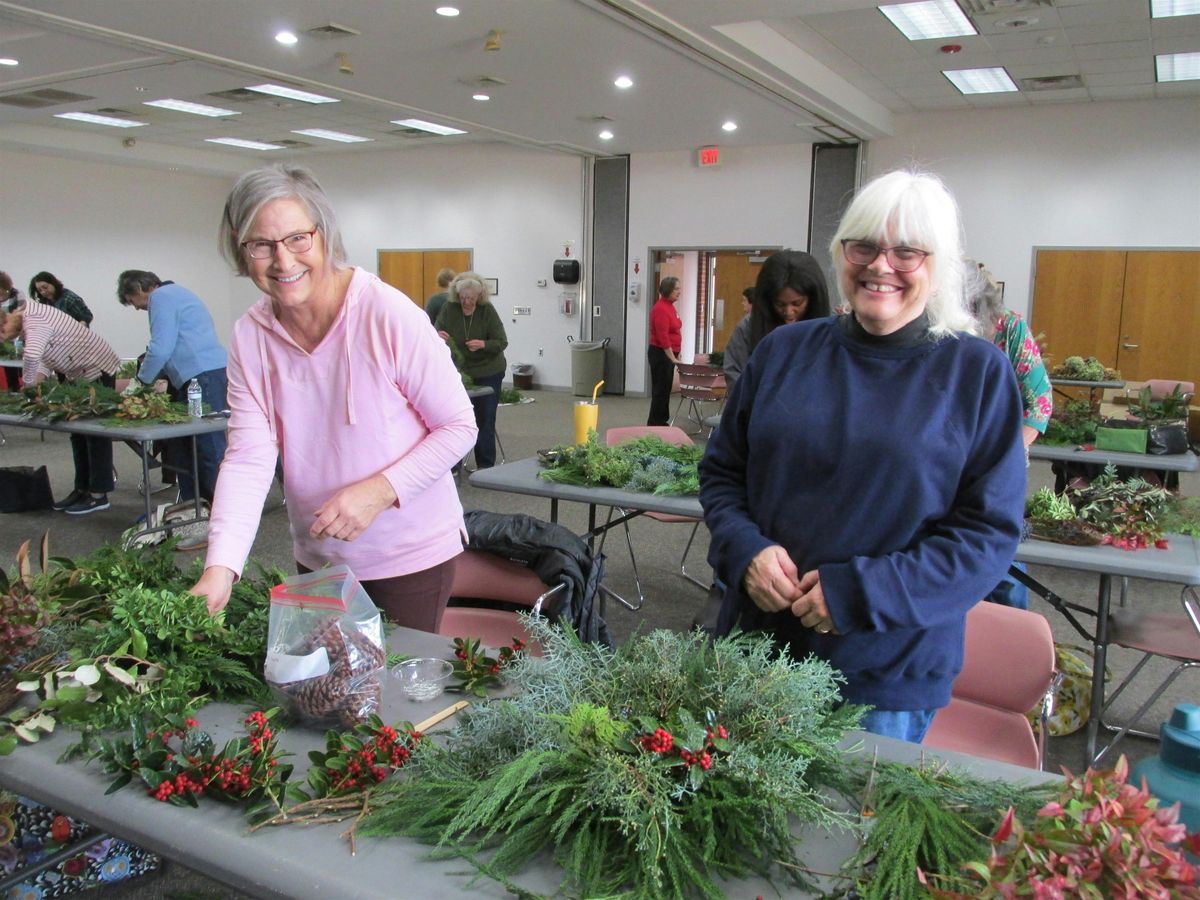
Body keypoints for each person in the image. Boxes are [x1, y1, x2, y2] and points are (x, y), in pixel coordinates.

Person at [699, 169, 1027, 745]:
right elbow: (724, 473)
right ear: (841, 254)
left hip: (882, 672)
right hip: (756, 646)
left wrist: (860, 593)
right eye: (865, 246)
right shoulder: (783, 351)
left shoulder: (975, 372)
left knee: (849, 832)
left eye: (907, 252)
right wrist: (744, 551)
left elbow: (987, 536)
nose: (881, 265)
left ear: (939, 264)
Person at [190, 163, 477, 631]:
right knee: (330, 691)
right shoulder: (251, 336)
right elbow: (248, 458)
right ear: (241, 252)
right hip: (320, 554)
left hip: (408, 554)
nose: (283, 262)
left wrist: (380, 492)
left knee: (396, 697)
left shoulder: (386, 313)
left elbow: (459, 426)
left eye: (297, 239)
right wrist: (220, 569)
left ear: (323, 236)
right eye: (261, 244)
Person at [967, 260, 1052, 610]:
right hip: (948, 465)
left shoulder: (1011, 328)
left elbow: (1040, 404)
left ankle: (1011, 641)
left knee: (1003, 559)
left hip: (1000, 465)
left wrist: (1003, 456)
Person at [116, 270, 229, 515]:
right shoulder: (177, 293)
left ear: (138, 289)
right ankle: (194, 509)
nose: (136, 309)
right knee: (184, 445)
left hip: (201, 376)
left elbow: (160, 347)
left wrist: (141, 381)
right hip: (199, 375)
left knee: (206, 447)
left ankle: (222, 514)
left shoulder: (161, 297)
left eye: (132, 301)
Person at [0, 304, 120, 514]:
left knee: (95, 433)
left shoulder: (34, 319)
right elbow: (45, 359)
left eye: (2, 334)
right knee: (76, 432)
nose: (5, 339)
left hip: (96, 368)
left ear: (5, 322)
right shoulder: (28, 325)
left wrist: (27, 385)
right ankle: (82, 488)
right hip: (75, 371)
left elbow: (32, 356)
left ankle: (99, 495)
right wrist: (33, 386)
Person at [722, 252, 831, 394]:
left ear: (813, 299)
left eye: (797, 303)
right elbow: (735, 376)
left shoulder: (827, 331)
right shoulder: (747, 329)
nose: (789, 312)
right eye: (780, 304)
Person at [435, 272, 508, 468]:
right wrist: (437, 335)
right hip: (460, 372)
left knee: (485, 418)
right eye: (463, 298)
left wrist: (483, 344)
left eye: (472, 299)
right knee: (457, 418)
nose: (467, 302)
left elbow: (501, 341)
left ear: (479, 297)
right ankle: (453, 467)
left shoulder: (487, 311)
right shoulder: (449, 309)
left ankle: (485, 466)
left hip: (488, 370)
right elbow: (435, 331)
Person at [647, 276, 682, 426]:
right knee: (660, 390)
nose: (679, 292)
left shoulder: (670, 306)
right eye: (676, 289)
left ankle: (662, 420)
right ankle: (655, 422)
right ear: (668, 290)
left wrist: (676, 353)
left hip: (668, 354)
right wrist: (672, 357)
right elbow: (663, 337)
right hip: (661, 354)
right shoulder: (661, 308)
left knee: (665, 389)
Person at [28, 271, 93, 326]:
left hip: (73, 336)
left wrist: (79, 327)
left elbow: (87, 315)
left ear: (53, 283)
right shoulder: (44, 302)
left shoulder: (69, 298)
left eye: (45, 287)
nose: (43, 292)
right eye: (40, 290)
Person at [0, 271, 26, 391]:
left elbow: (22, 316)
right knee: (9, 371)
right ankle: (13, 390)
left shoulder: (18, 295)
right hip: (4, 337)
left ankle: (26, 392)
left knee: (22, 370)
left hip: (18, 336)